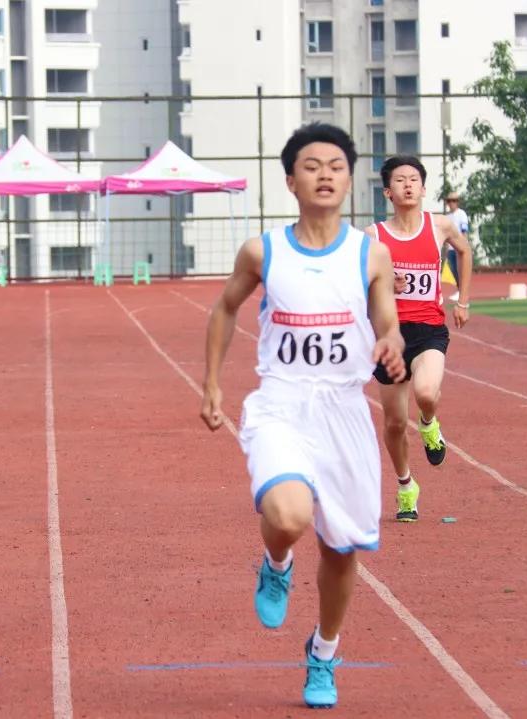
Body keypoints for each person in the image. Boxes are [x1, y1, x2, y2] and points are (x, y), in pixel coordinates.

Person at [201, 123, 405, 709]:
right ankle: (277, 560)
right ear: (291, 181)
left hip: (343, 409)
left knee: (342, 549)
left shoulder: (371, 253)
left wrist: (389, 341)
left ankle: (323, 653)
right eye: (311, 165)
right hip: (282, 404)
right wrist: (212, 384)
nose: (324, 174)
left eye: (336, 166)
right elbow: (224, 309)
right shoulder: (264, 250)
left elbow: (385, 317)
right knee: (288, 514)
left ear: (350, 180)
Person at [365, 156, 472, 523]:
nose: (408, 185)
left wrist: (463, 299)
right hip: (390, 336)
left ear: (424, 189)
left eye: (414, 179)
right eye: (400, 180)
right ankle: (406, 485)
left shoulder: (439, 226)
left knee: (426, 392)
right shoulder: (373, 236)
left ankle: (429, 423)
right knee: (394, 424)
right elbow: (355, 284)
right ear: (387, 192)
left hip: (429, 329)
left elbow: (465, 250)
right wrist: (381, 283)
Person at [444, 192, 471, 302]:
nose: (452, 203)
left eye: (454, 200)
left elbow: (464, 231)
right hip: (450, 248)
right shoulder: (447, 217)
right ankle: (459, 291)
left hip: (459, 247)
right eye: (450, 201)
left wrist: (463, 246)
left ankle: (462, 293)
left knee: (461, 271)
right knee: (454, 270)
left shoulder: (461, 214)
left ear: (458, 202)